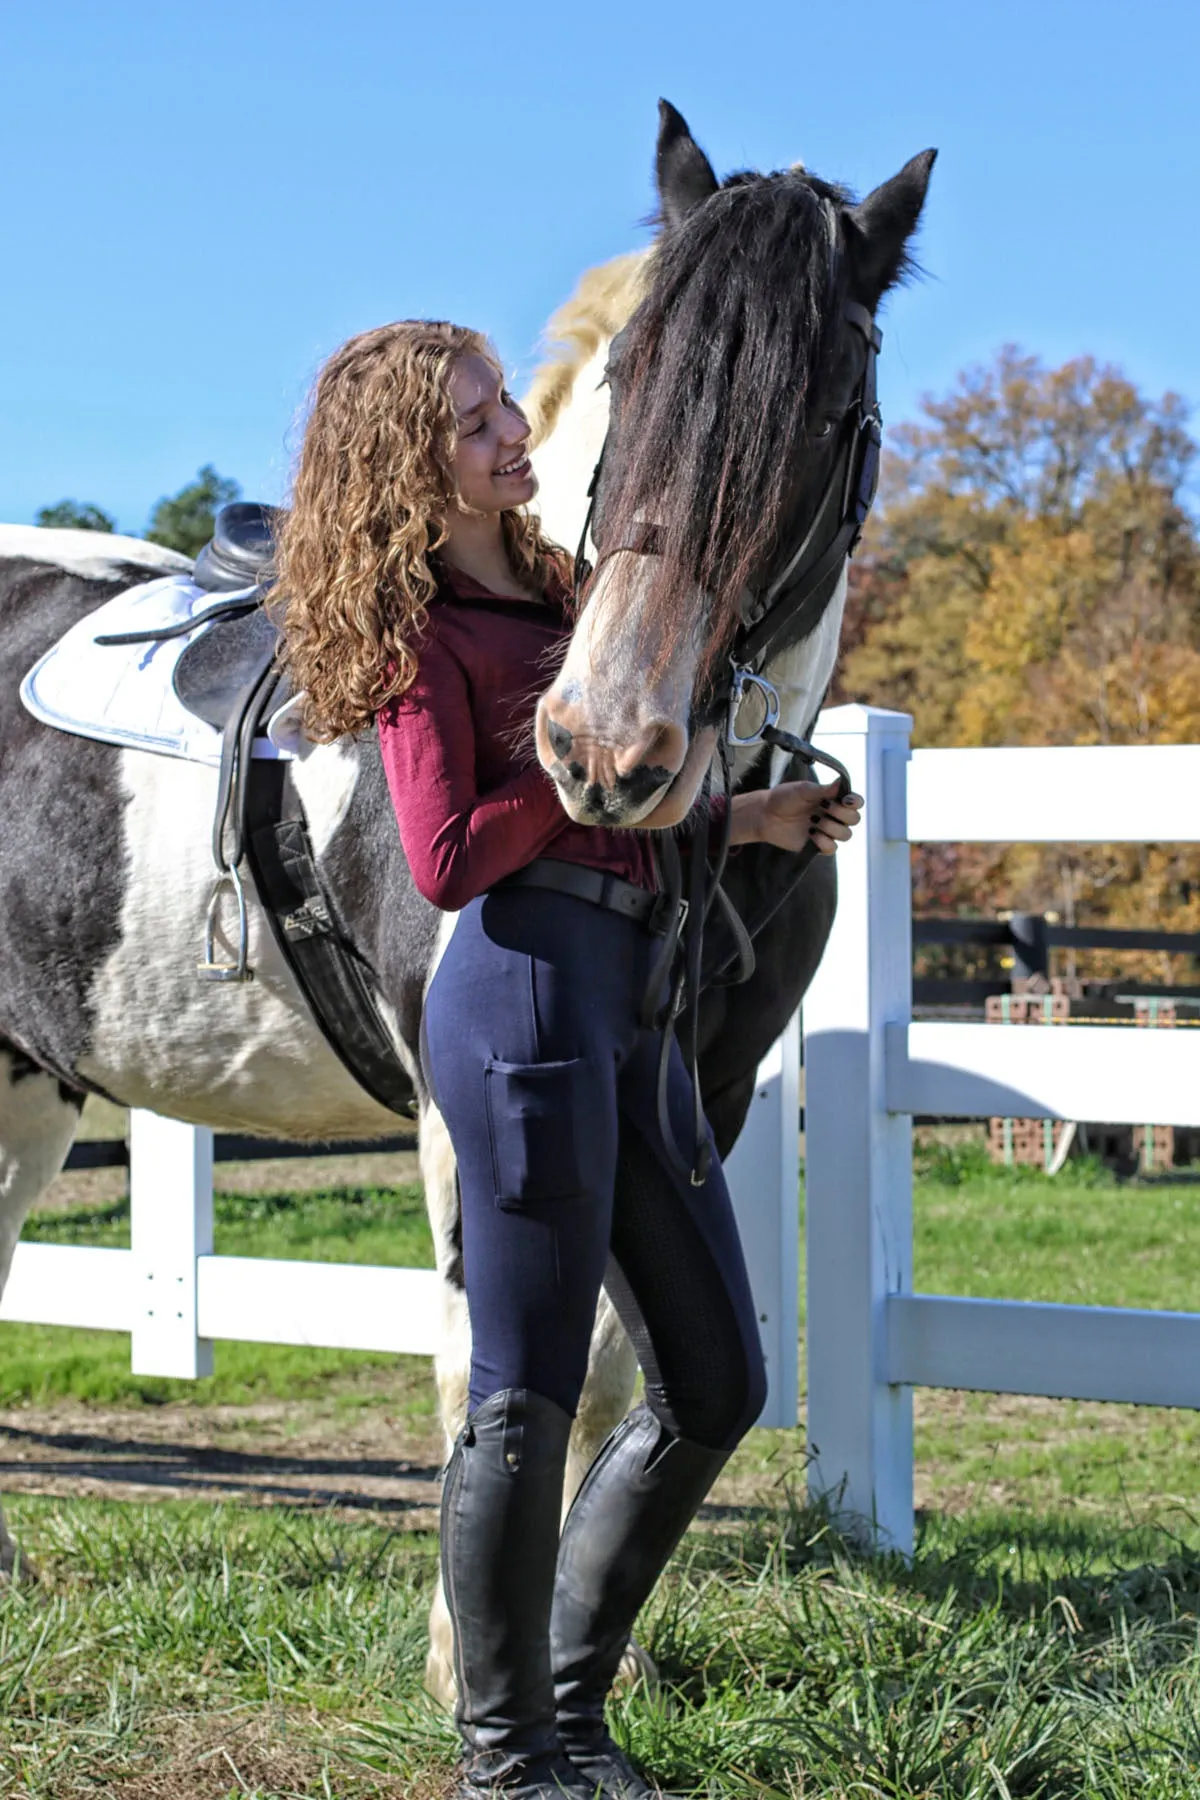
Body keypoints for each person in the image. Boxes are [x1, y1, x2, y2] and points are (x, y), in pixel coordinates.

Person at [275, 320, 862, 1800]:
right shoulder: (421, 637)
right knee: (520, 1394)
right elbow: (450, 855)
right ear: (415, 464)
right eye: (476, 426)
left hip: (637, 1005)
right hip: (522, 1011)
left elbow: (626, 801)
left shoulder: (560, 589)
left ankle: (568, 1711)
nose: (513, 439)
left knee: (718, 1381)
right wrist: (571, 767)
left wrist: (735, 819)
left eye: (504, 411)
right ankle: (507, 1757)